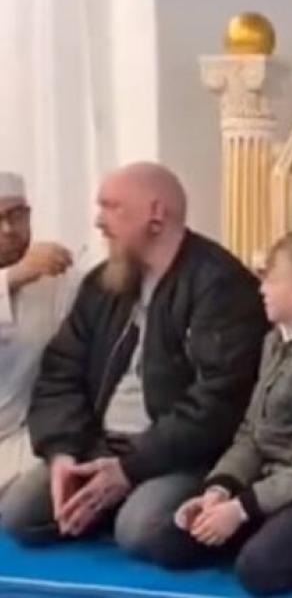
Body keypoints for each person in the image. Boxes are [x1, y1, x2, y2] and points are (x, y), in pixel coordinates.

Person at [1, 162, 269, 559]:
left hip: (184, 455)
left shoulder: (220, 287)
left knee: (141, 529)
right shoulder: (103, 283)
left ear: (156, 214)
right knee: (21, 514)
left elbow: (217, 404)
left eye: (111, 208)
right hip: (102, 446)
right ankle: (110, 499)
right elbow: (61, 372)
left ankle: (207, 510)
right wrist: (63, 453)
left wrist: (129, 470)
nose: (98, 221)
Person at [152, 230, 292, 596]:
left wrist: (242, 509)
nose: (261, 289)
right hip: (268, 485)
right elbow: (252, 433)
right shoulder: (275, 341)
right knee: (169, 541)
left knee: (259, 570)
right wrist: (220, 489)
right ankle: (268, 526)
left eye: (269, 279)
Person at [0, 171, 76, 502]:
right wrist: (12, 278)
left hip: (24, 439)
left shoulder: (55, 281)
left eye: (16, 215)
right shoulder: (25, 273)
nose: (8, 229)